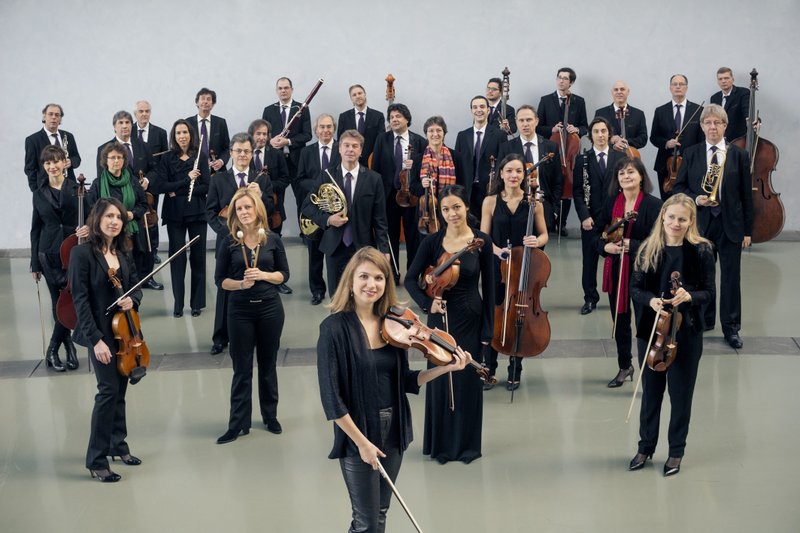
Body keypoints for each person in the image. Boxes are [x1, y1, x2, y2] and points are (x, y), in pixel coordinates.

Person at [317, 246, 472, 533]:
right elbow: (331, 398)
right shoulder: (333, 329)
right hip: (357, 433)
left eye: (379, 278)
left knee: (380, 514)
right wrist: (362, 443)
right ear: (350, 281)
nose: (371, 284)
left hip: (394, 429)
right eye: (364, 276)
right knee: (365, 523)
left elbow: (406, 382)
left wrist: (446, 367)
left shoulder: (396, 325)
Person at [405, 184, 494, 464]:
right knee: (442, 379)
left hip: (470, 317)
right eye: (445, 209)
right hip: (439, 319)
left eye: (456, 207)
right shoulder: (432, 242)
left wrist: (487, 332)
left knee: (467, 381)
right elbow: (410, 279)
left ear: (466, 207)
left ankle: (467, 446)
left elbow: (491, 289)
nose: (452, 213)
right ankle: (441, 446)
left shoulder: (482, 241)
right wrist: (426, 302)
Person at [628, 193, 715, 476]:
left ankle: (676, 452)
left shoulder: (701, 250)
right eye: (671, 217)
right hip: (652, 331)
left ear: (691, 221)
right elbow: (636, 289)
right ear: (662, 217)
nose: (675, 223)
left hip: (686, 332)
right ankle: (645, 447)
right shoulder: (646, 248)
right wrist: (652, 300)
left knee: (680, 395)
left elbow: (709, 294)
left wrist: (689, 296)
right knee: (651, 393)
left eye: (682, 219)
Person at [69, 197, 143, 483]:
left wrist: (132, 301)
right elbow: (80, 300)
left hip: (123, 331)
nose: (114, 221)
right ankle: (96, 459)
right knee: (108, 392)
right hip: (100, 334)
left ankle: (117, 445)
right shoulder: (82, 254)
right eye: (109, 216)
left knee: (120, 390)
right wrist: (96, 340)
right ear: (97, 220)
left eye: (119, 217)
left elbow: (136, 287)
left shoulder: (123, 252)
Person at [673, 104, 753, 349]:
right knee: (700, 277)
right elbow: (678, 188)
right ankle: (705, 320)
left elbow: (746, 196)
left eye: (717, 122)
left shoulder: (738, 155)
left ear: (725, 126)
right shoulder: (692, 153)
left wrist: (748, 231)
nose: (712, 127)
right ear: (702, 126)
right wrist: (696, 199)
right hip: (701, 225)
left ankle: (731, 328)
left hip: (730, 226)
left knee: (730, 278)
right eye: (708, 122)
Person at [215, 189, 289, 443]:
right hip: (239, 311)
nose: (244, 212)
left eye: (248, 207)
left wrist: (263, 276)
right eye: (239, 209)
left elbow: (283, 275)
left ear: (257, 209)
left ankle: (271, 416)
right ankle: (238, 423)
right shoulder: (228, 242)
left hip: (269, 309)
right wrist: (240, 285)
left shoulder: (273, 239)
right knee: (241, 368)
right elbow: (220, 281)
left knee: (268, 365)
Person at [480, 154, 548, 390]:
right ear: (501, 173)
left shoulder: (534, 203)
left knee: (519, 315)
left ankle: (515, 368)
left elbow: (544, 235)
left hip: (524, 269)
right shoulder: (490, 201)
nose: (514, 176)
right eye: (509, 171)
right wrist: (498, 251)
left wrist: (535, 241)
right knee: (494, 314)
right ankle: (488, 368)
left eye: (518, 171)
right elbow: (483, 238)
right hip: (496, 268)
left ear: (524, 175)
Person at [594, 158, 662, 388]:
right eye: (621, 173)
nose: (626, 176)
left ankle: (649, 368)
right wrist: (605, 247)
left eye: (631, 172)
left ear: (641, 176)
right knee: (620, 323)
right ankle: (625, 365)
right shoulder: (612, 202)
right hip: (617, 272)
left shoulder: (654, 205)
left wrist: (632, 246)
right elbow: (596, 234)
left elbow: (660, 241)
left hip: (644, 273)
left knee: (645, 323)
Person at [206, 132, 274, 355]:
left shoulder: (261, 178)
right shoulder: (218, 179)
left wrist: (261, 196)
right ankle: (220, 337)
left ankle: (254, 333)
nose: (243, 155)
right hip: (228, 244)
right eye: (238, 151)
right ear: (231, 153)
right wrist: (228, 236)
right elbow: (210, 212)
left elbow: (270, 213)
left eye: (247, 151)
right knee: (225, 288)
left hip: (256, 243)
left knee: (255, 285)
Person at [301, 129, 390, 297]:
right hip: (335, 246)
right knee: (337, 295)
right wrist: (328, 219)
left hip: (363, 246)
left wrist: (384, 249)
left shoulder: (374, 179)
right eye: (346, 145)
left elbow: (380, 220)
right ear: (339, 149)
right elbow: (308, 206)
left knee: (362, 294)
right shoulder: (325, 176)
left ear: (361, 151)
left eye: (355, 146)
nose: (350, 149)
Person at [30, 145, 89, 371]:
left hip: (73, 252)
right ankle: (70, 349)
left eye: (56, 161)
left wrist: (88, 230)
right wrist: (34, 263)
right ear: (44, 167)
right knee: (58, 304)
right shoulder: (38, 193)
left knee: (70, 301)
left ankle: (53, 349)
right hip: (48, 255)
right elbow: (35, 229)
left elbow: (93, 218)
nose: (52, 166)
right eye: (47, 163)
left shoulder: (78, 188)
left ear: (65, 162)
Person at [95, 111, 162, 290]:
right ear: (114, 126)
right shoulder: (104, 149)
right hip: (112, 219)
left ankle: (144, 279)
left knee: (145, 249)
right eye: (121, 122)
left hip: (134, 212)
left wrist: (146, 181)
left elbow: (154, 170)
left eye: (127, 122)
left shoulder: (143, 146)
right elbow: (100, 188)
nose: (125, 125)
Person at [156, 119, 210, 317]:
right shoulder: (167, 158)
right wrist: (186, 180)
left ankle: (196, 304)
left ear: (191, 134)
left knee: (198, 259)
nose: (182, 136)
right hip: (174, 215)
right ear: (174, 136)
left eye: (185, 132)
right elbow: (162, 186)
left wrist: (176, 190)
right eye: (178, 133)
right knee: (177, 260)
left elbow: (207, 186)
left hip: (197, 212)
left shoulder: (200, 157)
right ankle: (178, 305)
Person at [573, 117, 624, 315]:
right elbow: (577, 191)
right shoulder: (582, 159)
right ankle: (590, 298)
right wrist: (584, 216)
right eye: (596, 131)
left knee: (617, 258)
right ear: (590, 135)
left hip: (614, 219)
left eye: (604, 131)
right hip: (591, 218)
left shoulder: (619, 158)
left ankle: (618, 294)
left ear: (609, 134)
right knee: (589, 260)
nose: (601, 135)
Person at [370, 103, 427, 282]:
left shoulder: (419, 141)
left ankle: (412, 273)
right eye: (392, 117)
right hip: (388, 196)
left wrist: (414, 165)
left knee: (413, 237)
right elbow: (376, 169)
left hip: (411, 196)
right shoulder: (382, 139)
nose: (394, 120)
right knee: (390, 235)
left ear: (407, 119)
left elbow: (424, 169)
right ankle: (392, 273)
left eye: (398, 116)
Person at [536, 67, 589, 236]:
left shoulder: (579, 101)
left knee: (568, 187)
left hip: (569, 153)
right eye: (559, 77)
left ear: (571, 82)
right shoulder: (545, 100)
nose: (561, 81)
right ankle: (548, 221)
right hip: (549, 150)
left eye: (565, 78)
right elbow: (537, 126)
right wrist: (551, 129)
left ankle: (562, 223)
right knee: (549, 184)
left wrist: (577, 129)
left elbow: (585, 127)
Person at [87, 143, 149, 285]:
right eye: (112, 157)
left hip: (131, 235)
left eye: (119, 157)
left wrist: (133, 214)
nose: (116, 161)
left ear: (124, 160)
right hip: (106, 237)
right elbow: (92, 208)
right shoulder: (97, 184)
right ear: (105, 160)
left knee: (132, 273)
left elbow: (143, 204)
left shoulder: (133, 181)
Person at [296, 114, 341, 305]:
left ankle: (338, 290)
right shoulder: (307, 152)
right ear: (316, 130)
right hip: (314, 210)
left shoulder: (342, 149)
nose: (325, 130)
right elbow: (299, 179)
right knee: (314, 253)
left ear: (334, 128)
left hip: (336, 210)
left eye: (329, 127)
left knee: (336, 253)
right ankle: (317, 290)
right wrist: (320, 187)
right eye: (322, 127)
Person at [498, 105, 562, 232]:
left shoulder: (551, 147)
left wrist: (554, 209)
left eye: (529, 120)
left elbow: (558, 180)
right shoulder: (506, 147)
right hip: (514, 206)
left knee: (538, 249)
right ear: (516, 122)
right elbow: (500, 179)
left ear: (536, 121)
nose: (525, 124)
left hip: (543, 205)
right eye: (521, 120)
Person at [248, 119, 293, 295]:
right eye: (258, 133)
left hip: (272, 208)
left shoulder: (276, 154)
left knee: (275, 245)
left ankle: (278, 280)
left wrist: (266, 188)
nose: (261, 137)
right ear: (252, 135)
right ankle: (254, 278)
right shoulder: (246, 153)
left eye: (264, 134)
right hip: (251, 210)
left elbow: (285, 179)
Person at [262, 76, 313, 219]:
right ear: (276, 91)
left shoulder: (302, 108)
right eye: (280, 88)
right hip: (277, 162)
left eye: (286, 88)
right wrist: (270, 141)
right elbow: (263, 135)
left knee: (302, 198)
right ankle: (275, 234)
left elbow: (307, 135)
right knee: (276, 199)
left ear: (292, 89)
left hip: (298, 162)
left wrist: (288, 141)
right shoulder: (269, 110)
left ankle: (305, 233)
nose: (283, 91)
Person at [650, 74, 704, 199]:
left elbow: (702, 140)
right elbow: (654, 137)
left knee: (689, 200)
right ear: (670, 88)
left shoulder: (699, 110)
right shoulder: (660, 111)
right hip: (666, 166)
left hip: (690, 164)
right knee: (667, 201)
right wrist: (666, 143)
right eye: (675, 84)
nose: (678, 87)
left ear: (686, 88)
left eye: (681, 84)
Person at [454, 96, 504, 217]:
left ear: (488, 110)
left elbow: (502, 163)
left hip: (489, 189)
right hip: (466, 190)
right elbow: (457, 165)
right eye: (475, 107)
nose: (479, 110)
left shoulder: (499, 135)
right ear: (471, 111)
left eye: (482, 106)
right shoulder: (462, 135)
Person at [134, 100, 169, 265]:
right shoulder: (129, 131)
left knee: (152, 220)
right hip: (132, 185)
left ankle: (153, 251)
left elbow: (162, 162)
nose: (144, 114)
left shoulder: (160, 133)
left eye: (147, 111)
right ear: (135, 113)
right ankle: (137, 251)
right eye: (141, 111)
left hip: (152, 185)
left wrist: (148, 179)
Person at [25, 103, 81, 192]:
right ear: (44, 116)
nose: (54, 117)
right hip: (46, 188)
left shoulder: (68, 136)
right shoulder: (32, 140)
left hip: (68, 187)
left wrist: (71, 162)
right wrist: (36, 190)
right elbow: (29, 168)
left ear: (60, 119)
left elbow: (77, 159)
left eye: (57, 115)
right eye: (50, 114)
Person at [414, 116, 464, 204]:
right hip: (426, 209)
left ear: (444, 133)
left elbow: (462, 185)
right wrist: (422, 185)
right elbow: (412, 187)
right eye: (431, 131)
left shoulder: (456, 156)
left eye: (439, 130)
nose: (435, 134)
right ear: (426, 134)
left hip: (450, 207)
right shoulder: (418, 158)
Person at [593, 81, 648, 155]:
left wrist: (625, 142)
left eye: (622, 89)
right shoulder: (601, 113)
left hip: (630, 157)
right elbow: (595, 137)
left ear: (628, 92)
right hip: (607, 157)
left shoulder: (638, 114)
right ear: (612, 92)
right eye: (616, 90)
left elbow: (643, 138)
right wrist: (612, 141)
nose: (619, 92)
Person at [337, 84, 385, 167]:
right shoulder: (344, 117)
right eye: (354, 95)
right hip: (350, 160)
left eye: (360, 93)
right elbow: (340, 141)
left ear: (365, 94)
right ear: (351, 99)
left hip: (371, 161)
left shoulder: (378, 116)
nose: (358, 96)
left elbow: (381, 140)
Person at [186, 87, 230, 174]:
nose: (205, 101)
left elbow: (227, 148)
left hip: (216, 171)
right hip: (193, 170)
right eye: (202, 99)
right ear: (197, 103)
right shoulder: (188, 123)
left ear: (213, 104)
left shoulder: (220, 122)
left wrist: (221, 161)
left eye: (209, 99)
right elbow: (185, 149)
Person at [710, 67, 750, 142]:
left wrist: (750, 120)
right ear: (717, 81)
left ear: (732, 79)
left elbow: (747, 111)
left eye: (726, 78)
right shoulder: (714, 98)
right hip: (720, 140)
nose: (723, 81)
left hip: (739, 140)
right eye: (720, 79)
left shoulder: (743, 93)